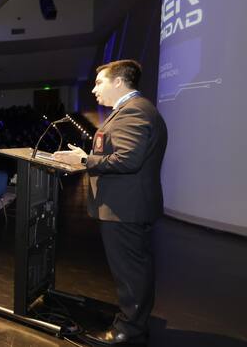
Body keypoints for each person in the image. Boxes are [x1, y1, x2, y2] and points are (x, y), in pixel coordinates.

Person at [54, 60, 167, 346]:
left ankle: (128, 331)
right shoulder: (133, 110)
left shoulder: (133, 112)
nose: (94, 89)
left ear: (118, 82)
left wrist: (84, 160)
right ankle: (134, 323)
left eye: (99, 83)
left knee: (130, 272)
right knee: (134, 269)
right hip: (128, 206)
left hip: (125, 208)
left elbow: (127, 160)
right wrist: (87, 155)